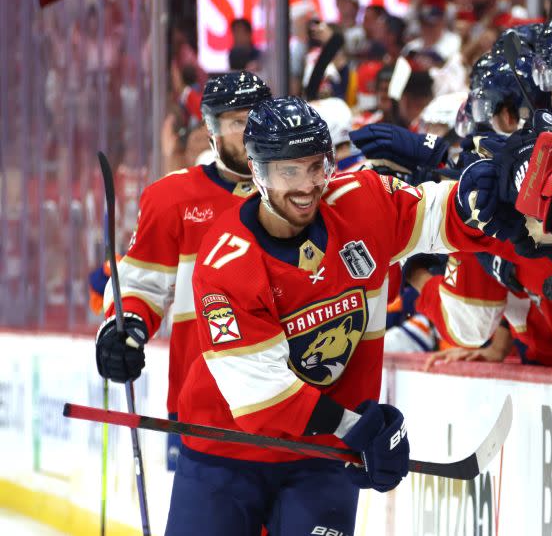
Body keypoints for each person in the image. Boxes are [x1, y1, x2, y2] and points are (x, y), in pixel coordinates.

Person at [167, 96, 519, 534]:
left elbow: (440, 214)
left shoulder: (361, 201)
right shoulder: (227, 263)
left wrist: (482, 189)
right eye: (288, 171)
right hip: (226, 450)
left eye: (316, 166)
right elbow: (264, 400)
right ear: (258, 173)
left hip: (322, 456)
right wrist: (360, 428)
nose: (306, 185)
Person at [94, 72, 271, 469]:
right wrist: (125, 330)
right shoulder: (172, 197)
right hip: (202, 407)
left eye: (254, 119)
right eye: (234, 123)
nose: (246, 133)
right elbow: (142, 285)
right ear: (210, 128)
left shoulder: (300, 193)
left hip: (288, 406)